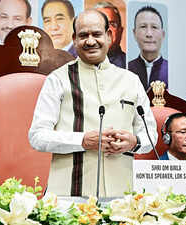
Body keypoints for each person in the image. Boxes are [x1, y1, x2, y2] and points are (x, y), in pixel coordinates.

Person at [29, 9, 157, 197]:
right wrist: (81, 141)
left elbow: (150, 135)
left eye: (96, 34)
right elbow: (37, 136)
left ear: (109, 36)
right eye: (83, 35)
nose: (90, 41)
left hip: (122, 198)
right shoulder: (57, 79)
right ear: (74, 39)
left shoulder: (131, 81)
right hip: (68, 197)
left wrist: (134, 142)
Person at [128, 6, 168, 91]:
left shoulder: (171, 69)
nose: (149, 34)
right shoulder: (126, 69)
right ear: (134, 33)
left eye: (154, 27)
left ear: (163, 34)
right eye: (143, 27)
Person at [94, 1, 126, 68]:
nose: (106, 29)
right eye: (99, 23)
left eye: (112, 24)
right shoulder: (78, 66)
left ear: (120, 32)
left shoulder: (130, 67)